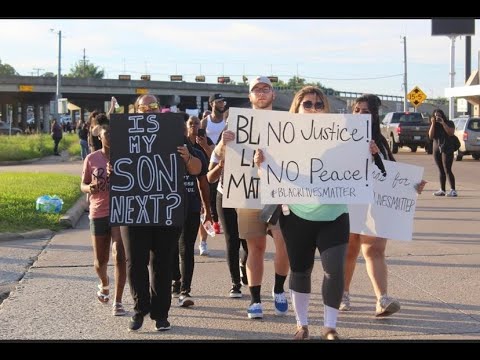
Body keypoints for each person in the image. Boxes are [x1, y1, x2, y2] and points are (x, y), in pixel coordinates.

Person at [254, 86, 382, 340]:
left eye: (318, 104)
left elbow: (364, 171)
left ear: (326, 108)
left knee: (334, 269)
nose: (313, 108)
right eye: (308, 104)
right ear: (298, 108)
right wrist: (261, 164)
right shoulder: (281, 138)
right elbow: (271, 178)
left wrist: (369, 154)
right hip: (297, 216)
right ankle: (301, 325)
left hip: (334, 215)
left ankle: (330, 326)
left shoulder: (345, 137)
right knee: (300, 270)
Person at [119, 94, 202, 332]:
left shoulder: (175, 134)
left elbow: (198, 170)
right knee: (135, 262)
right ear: (135, 111)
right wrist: (115, 168)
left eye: (152, 107)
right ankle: (139, 308)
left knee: (163, 263)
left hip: (166, 207)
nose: (147, 111)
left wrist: (187, 158)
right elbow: (116, 168)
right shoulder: (125, 135)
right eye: (142, 108)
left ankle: (161, 314)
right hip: (134, 208)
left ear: (159, 110)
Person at [340, 94, 426, 318]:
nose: (359, 114)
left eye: (365, 111)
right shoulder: (341, 138)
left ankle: (382, 299)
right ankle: (343, 294)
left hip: (377, 204)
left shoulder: (380, 141)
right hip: (349, 201)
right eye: (356, 110)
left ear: (375, 116)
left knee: (375, 249)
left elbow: (392, 173)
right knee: (349, 250)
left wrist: (412, 185)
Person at [215, 76, 289, 320]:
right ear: (249, 96)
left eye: (265, 88)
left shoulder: (285, 121)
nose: (261, 92)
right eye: (256, 89)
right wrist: (223, 145)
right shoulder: (236, 123)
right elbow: (216, 159)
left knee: (284, 243)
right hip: (247, 193)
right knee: (255, 247)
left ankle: (279, 288)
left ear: (273, 94)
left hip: (278, 194)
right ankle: (255, 300)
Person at [80, 124, 127, 316]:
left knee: (119, 254)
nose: (111, 136)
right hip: (99, 211)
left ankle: (118, 301)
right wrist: (90, 187)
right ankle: (104, 283)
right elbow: (82, 185)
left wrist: (121, 173)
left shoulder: (125, 156)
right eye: (108, 133)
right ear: (100, 137)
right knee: (100, 261)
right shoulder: (92, 158)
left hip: (120, 210)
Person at [171, 116, 211, 307]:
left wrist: (208, 212)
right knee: (170, 248)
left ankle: (185, 290)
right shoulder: (162, 153)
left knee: (186, 248)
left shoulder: (196, 154)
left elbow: (203, 185)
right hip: (168, 207)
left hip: (191, 207)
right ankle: (176, 279)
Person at [199, 94, 228, 253]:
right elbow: (201, 143)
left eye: (223, 101)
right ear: (211, 104)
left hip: (226, 167)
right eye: (218, 101)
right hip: (208, 167)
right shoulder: (205, 122)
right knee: (205, 206)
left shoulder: (228, 121)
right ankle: (203, 242)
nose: (221, 104)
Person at [428, 109, 457, 197]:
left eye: (439, 115)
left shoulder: (449, 123)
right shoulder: (434, 125)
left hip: (447, 148)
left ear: (443, 115)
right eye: (436, 116)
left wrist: (443, 123)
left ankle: (453, 190)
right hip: (436, 148)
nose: (437, 117)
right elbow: (430, 136)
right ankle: (442, 190)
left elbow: (451, 133)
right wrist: (433, 123)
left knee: (447, 169)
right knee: (441, 170)